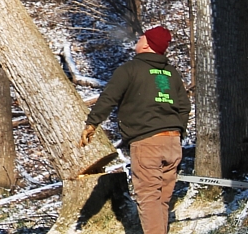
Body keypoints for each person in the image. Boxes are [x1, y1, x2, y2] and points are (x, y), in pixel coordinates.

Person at [79, 26, 190, 234]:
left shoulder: (130, 69)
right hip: (173, 143)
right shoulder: (171, 73)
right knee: (162, 201)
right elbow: (184, 106)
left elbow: (109, 97)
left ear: (147, 43)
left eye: (141, 38)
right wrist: (178, 130)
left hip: (147, 142)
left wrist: (92, 123)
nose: (137, 40)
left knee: (148, 198)